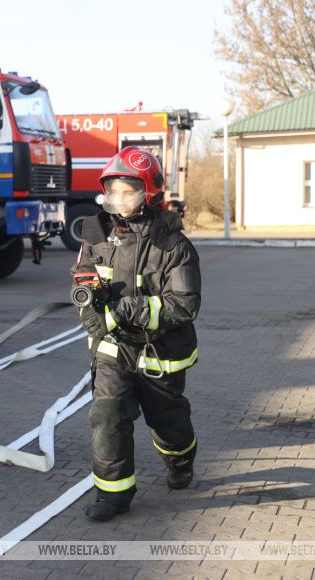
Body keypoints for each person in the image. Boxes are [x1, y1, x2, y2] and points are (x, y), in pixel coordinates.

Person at [70, 146, 201, 521]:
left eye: (129, 190)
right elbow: (82, 278)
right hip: (113, 349)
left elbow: (184, 303)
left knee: (168, 423)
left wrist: (130, 310)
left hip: (160, 352)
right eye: (113, 191)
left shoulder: (173, 243)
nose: (120, 199)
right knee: (107, 416)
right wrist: (89, 310)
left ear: (149, 192)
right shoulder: (95, 233)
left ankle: (181, 459)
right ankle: (113, 496)